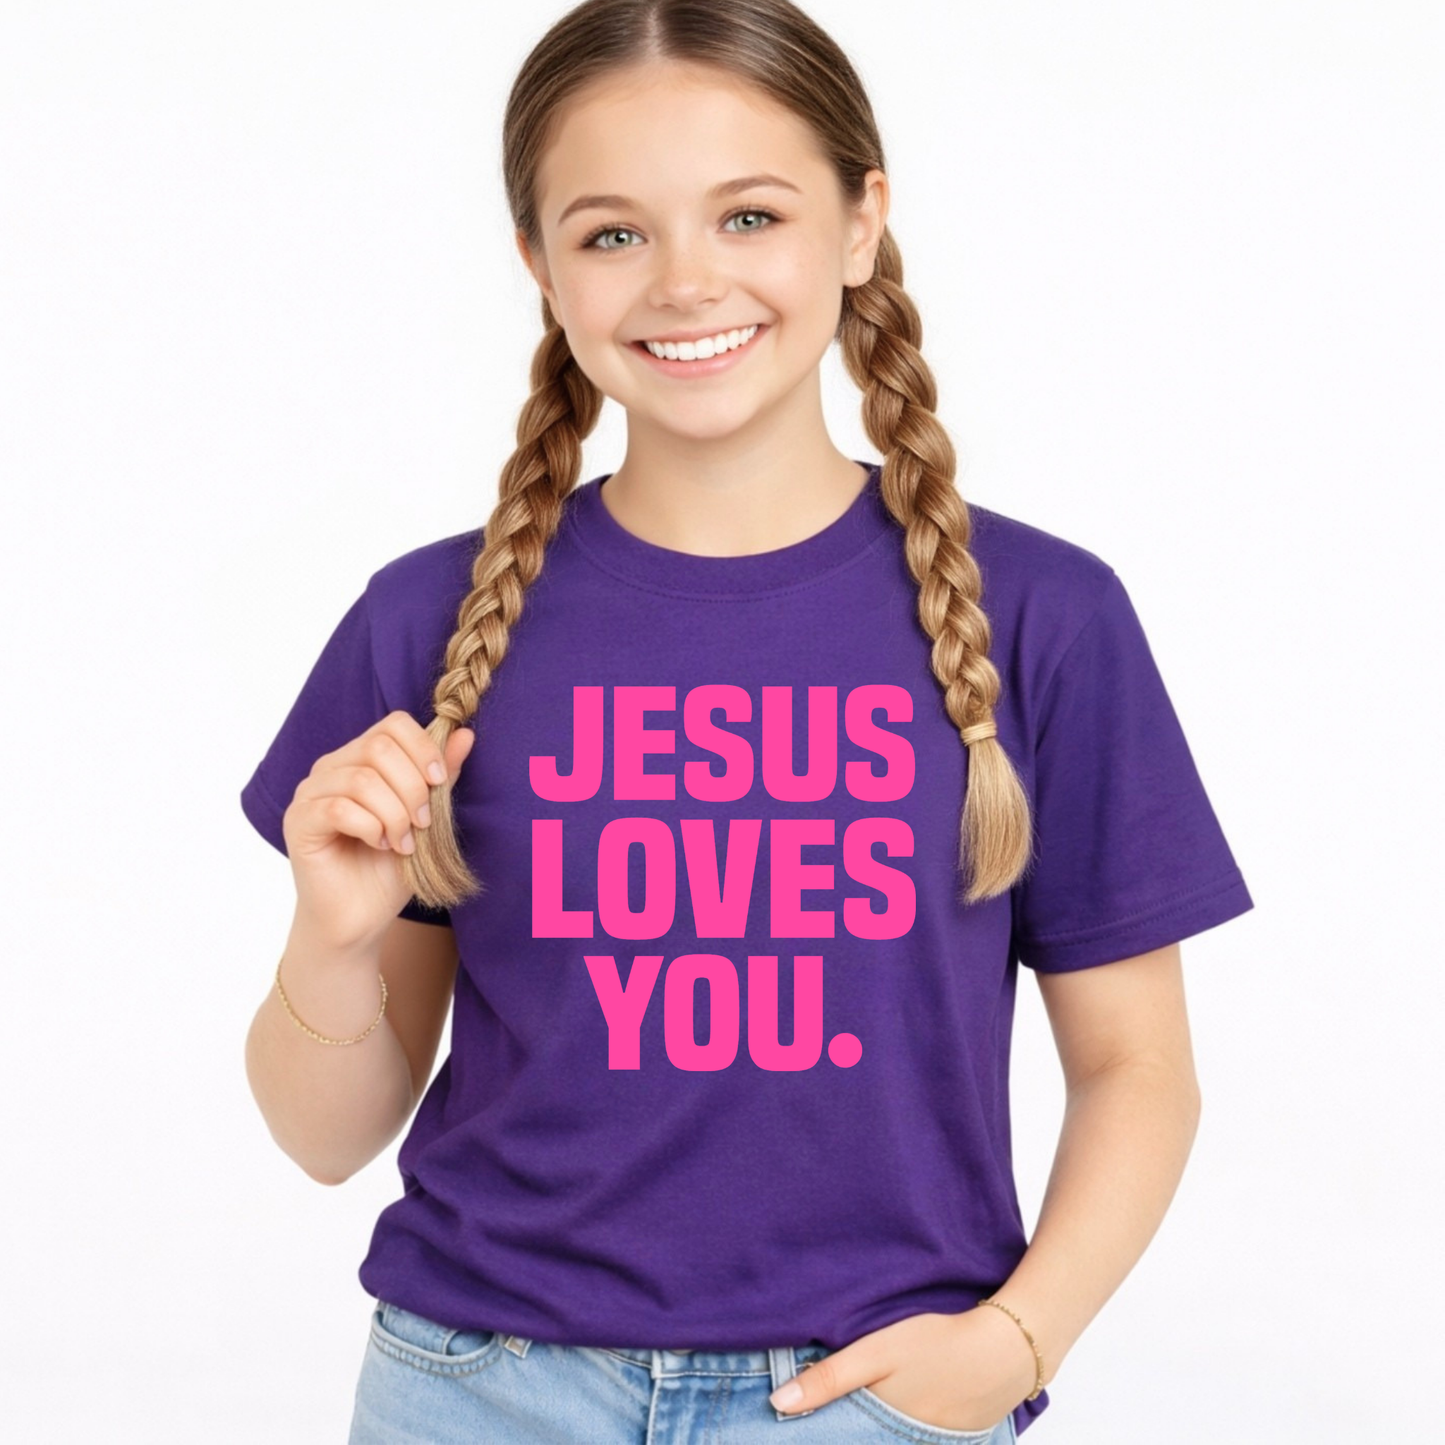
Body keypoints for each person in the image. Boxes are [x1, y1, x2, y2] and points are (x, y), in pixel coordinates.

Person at [240, 1, 1255, 1440]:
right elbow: (324, 1137)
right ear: (538, 264)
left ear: (859, 222)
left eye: (751, 214)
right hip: (477, 1387)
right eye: (612, 233)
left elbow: (1137, 1067)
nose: (683, 282)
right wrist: (329, 938)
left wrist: (1016, 1342)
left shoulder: (1045, 616)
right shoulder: (429, 621)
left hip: (869, 1395)